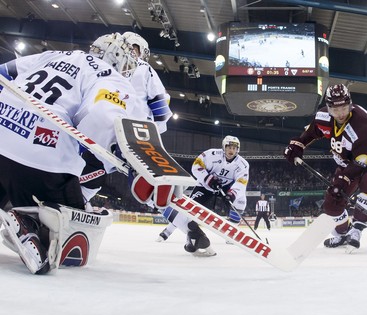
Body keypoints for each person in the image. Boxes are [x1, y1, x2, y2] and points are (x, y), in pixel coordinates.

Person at [0, 33, 179, 274]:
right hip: (43, 156)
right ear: (120, 59)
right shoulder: (110, 75)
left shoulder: (55, 54)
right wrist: (124, 155)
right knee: (74, 243)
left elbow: (5, 73)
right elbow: (103, 117)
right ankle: (28, 223)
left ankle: (26, 216)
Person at [283, 84, 367, 251]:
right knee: (331, 203)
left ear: (350, 104)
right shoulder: (323, 117)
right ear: (328, 108)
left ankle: (356, 230)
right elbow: (311, 132)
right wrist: (298, 144)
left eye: (344, 108)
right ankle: (342, 233)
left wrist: (344, 177)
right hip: (347, 163)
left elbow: (362, 160)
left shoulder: (361, 121)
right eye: (335, 109)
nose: (340, 113)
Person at [80, 31, 172, 211]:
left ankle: (78, 198)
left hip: (100, 127)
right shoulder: (144, 68)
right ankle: (145, 177)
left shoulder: (99, 67)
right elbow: (161, 107)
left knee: (94, 170)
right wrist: (156, 131)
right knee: (105, 168)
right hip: (134, 130)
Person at [157, 136, 250, 256]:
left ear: (238, 149)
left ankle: (231, 232)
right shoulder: (211, 154)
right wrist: (208, 178)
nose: (231, 150)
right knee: (188, 212)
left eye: (234, 148)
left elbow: (241, 182)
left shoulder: (243, 164)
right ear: (224, 147)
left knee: (241, 199)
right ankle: (169, 232)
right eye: (229, 147)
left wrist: (232, 194)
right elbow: (196, 166)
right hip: (205, 186)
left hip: (226, 187)